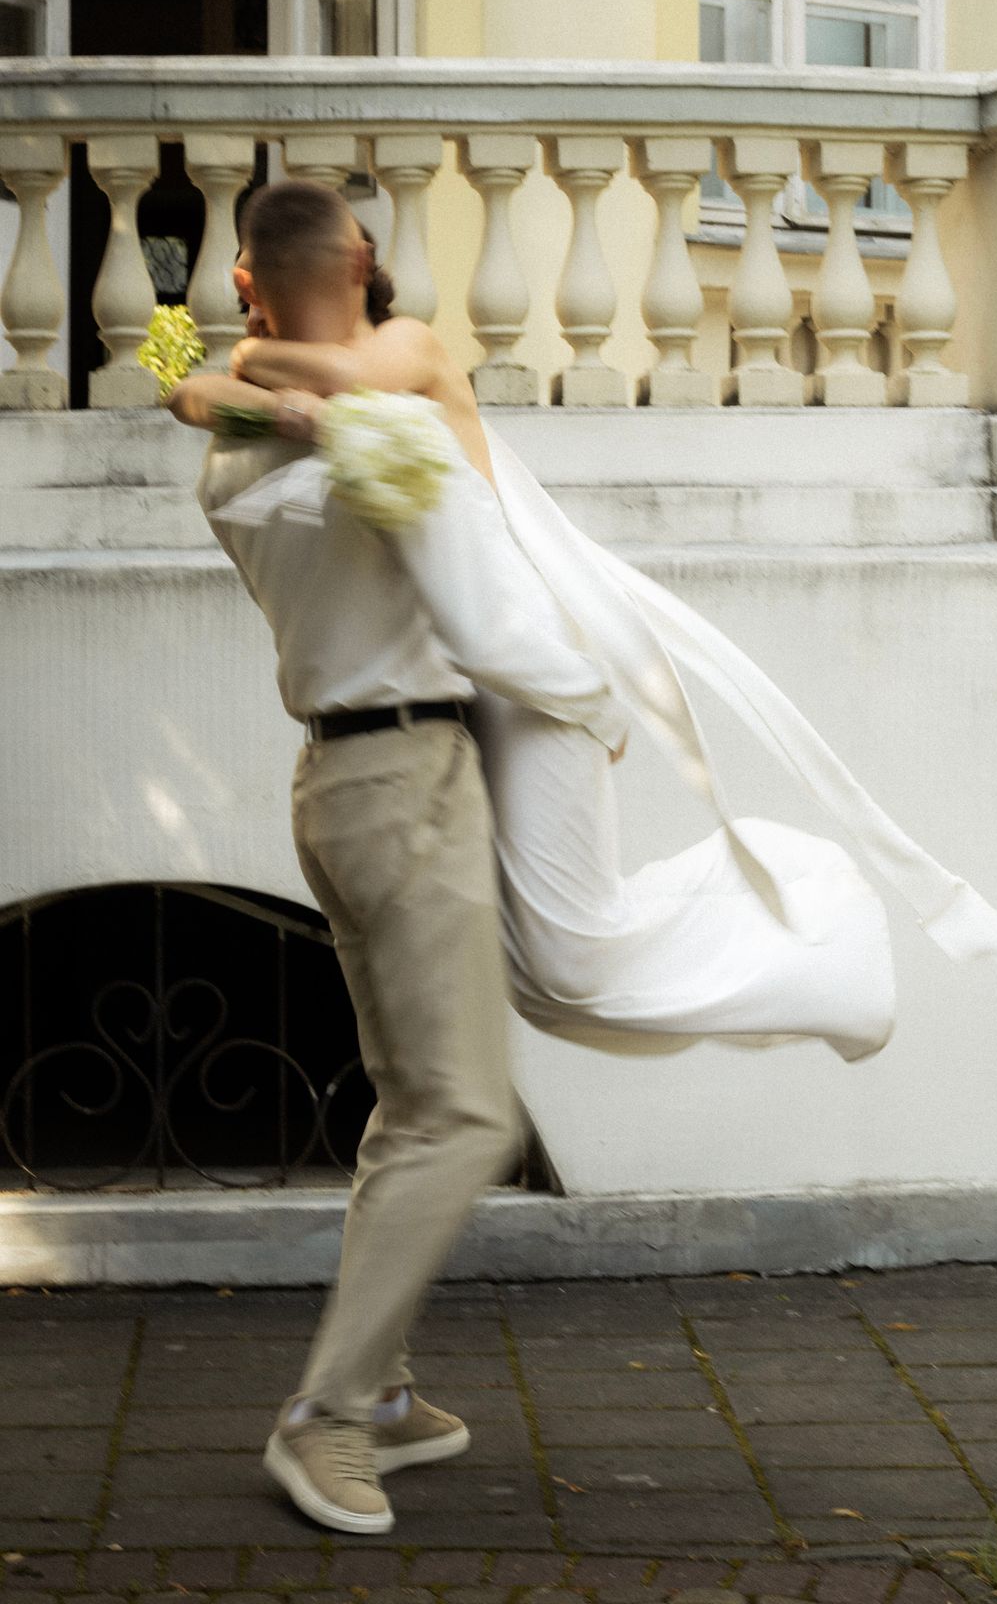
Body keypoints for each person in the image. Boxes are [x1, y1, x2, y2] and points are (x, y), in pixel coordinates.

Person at [173, 180, 629, 1537]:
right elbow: (481, 603)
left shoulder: (237, 434)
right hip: (412, 774)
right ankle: (326, 1417)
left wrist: (239, 379)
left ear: (245, 281)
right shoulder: (381, 412)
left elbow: (196, 390)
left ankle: (376, 1395)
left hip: (334, 779)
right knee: (469, 1115)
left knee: (409, 1099)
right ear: (364, 261)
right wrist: (592, 701)